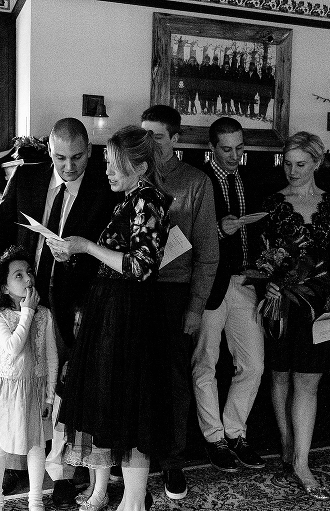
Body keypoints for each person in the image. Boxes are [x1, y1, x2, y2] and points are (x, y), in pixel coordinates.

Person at [0, 118, 118, 507]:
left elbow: (108, 251)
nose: (69, 167)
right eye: (60, 157)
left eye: (77, 158)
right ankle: (18, 460)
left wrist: (79, 252)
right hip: (24, 298)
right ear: (49, 150)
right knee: (20, 378)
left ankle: (63, 473)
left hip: (76, 299)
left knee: (64, 383)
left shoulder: (103, 186)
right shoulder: (26, 178)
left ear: (89, 153)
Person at [49, 126, 171, 511]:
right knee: (120, 408)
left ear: (140, 167)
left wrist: (87, 246)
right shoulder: (132, 198)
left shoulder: (148, 200)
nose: (107, 173)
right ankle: (130, 502)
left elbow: (141, 266)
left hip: (130, 316)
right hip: (114, 312)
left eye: (115, 167)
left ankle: (133, 503)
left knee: (132, 409)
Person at [262, 132, 330, 500]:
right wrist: (269, 284)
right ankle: (286, 441)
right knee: (280, 375)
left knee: (308, 382)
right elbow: (264, 257)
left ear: (317, 163)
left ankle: (301, 461)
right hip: (281, 303)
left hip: (318, 306)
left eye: (300, 164)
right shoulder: (273, 203)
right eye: (287, 163)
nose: (293, 171)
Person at [141, 105, 219, 500]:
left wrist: (195, 307)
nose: (149, 142)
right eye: (144, 134)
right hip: (134, 291)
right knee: (135, 374)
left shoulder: (195, 182)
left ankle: (173, 462)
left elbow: (208, 252)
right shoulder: (130, 175)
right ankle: (133, 460)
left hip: (175, 293)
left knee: (173, 380)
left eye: (156, 135)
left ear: (174, 138)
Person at [193, 117, 266, 473]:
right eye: (227, 149)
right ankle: (214, 439)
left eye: (240, 148)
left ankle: (236, 433)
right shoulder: (197, 179)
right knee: (205, 362)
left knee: (253, 364)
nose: (235, 155)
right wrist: (220, 231)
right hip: (209, 283)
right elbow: (184, 236)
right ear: (212, 148)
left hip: (246, 282)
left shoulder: (250, 177)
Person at [0, 246, 58, 511]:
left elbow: (51, 357)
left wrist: (49, 394)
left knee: (36, 445)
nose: (28, 279)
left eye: (29, 273)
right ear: (5, 287)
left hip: (35, 387)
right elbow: (12, 347)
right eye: (18, 275)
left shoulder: (44, 314)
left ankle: (36, 499)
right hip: (6, 388)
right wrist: (27, 312)